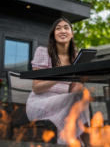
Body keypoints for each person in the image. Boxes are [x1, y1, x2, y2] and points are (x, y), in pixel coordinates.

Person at [26, 18, 90, 146]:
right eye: (58, 28)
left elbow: (73, 92)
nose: (62, 31)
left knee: (81, 97)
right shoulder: (43, 52)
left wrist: (80, 80)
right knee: (75, 100)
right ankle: (90, 143)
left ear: (72, 34)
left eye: (66, 27)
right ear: (53, 34)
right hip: (39, 103)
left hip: (64, 103)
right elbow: (36, 88)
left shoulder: (75, 58)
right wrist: (61, 76)